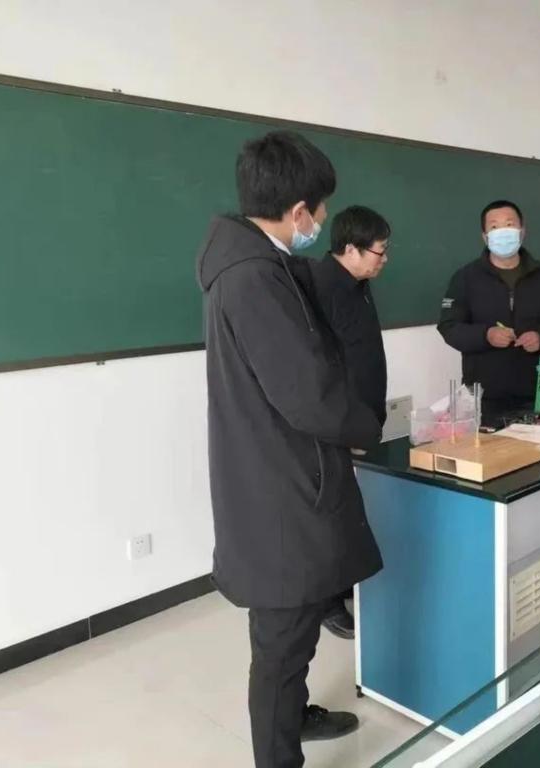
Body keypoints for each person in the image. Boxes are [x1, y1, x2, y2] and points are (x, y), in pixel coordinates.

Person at [196, 130, 383, 768]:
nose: (322, 221)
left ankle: (296, 717)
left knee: (292, 630)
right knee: (282, 639)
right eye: (320, 208)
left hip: (277, 469)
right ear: (298, 210)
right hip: (279, 483)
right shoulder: (253, 278)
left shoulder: (259, 266)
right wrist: (367, 426)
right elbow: (309, 395)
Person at [308, 205, 391, 640]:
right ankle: (325, 602)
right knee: (329, 516)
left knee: (350, 511)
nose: (384, 259)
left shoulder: (359, 283)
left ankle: (344, 584)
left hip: (362, 416)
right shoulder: (320, 287)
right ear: (352, 249)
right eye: (379, 251)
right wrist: (350, 423)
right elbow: (321, 370)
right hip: (339, 424)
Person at [437, 199, 540, 418]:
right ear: (485, 237)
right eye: (494, 226)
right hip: (482, 395)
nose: (503, 231)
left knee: (534, 439)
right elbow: (449, 326)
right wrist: (486, 335)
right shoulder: (465, 278)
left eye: (509, 224)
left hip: (533, 392)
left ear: (522, 231)